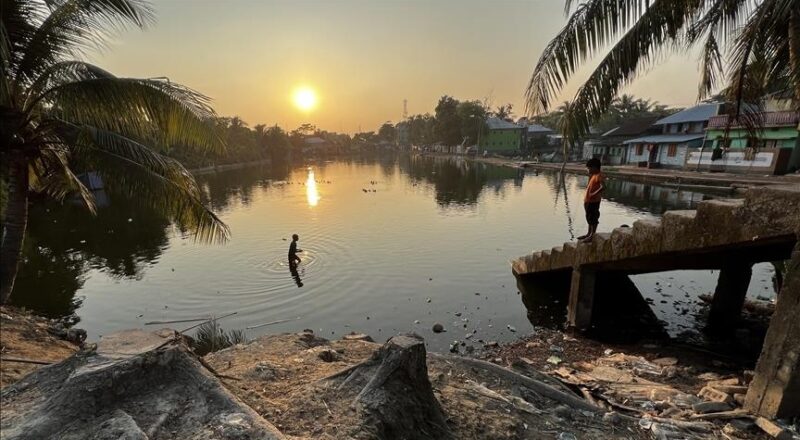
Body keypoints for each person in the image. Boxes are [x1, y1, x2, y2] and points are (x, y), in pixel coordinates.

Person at [578, 158, 604, 243]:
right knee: (589, 217)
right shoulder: (593, 176)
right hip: (589, 201)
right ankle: (589, 233)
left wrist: (593, 194)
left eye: (589, 168)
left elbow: (603, 186)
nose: (588, 170)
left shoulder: (599, 175)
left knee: (593, 218)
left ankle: (592, 235)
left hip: (593, 201)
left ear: (594, 167)